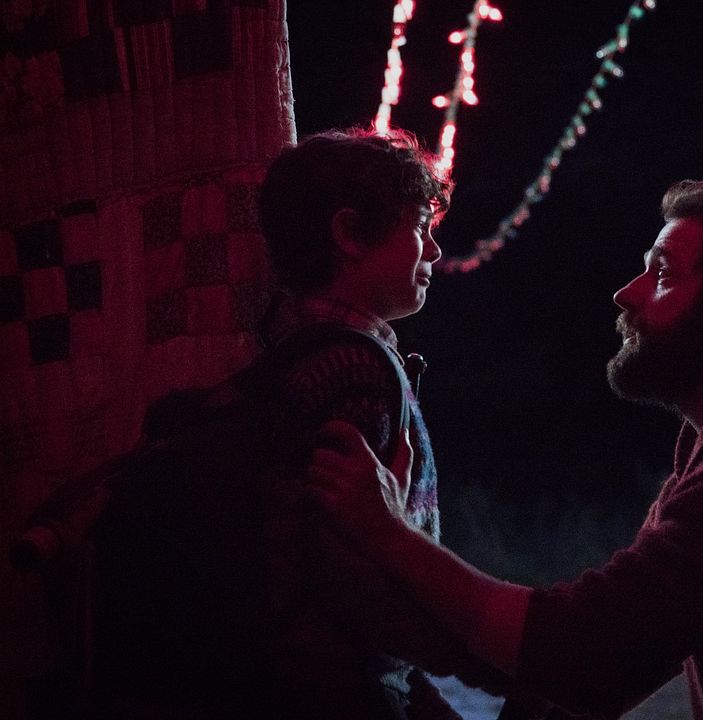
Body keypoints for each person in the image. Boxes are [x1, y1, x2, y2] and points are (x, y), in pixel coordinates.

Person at [308, 178, 703, 719]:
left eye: (662, 273)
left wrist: (388, 533)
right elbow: (597, 661)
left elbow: (587, 656)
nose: (626, 293)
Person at [91, 127, 492, 719]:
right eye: (417, 227)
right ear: (349, 233)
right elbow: (342, 576)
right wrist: (487, 653)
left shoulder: (294, 357)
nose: (433, 251)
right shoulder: (351, 368)